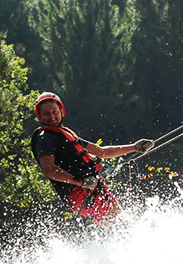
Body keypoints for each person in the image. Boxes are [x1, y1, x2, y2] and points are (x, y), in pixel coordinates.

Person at [30, 92, 154, 224]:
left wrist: (135, 147)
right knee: (122, 226)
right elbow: (49, 169)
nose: (52, 116)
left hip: (89, 189)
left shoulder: (65, 134)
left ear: (61, 111)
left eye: (54, 111)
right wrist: (79, 182)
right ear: (40, 116)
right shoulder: (44, 138)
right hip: (80, 191)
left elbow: (102, 152)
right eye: (46, 113)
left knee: (119, 227)